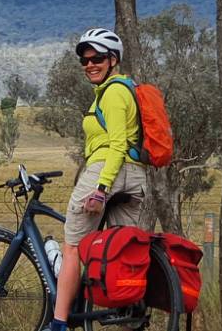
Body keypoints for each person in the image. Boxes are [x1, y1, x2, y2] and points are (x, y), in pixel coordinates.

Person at [47, 28, 149, 331]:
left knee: (73, 248)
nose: (90, 64)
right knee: (122, 250)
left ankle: (59, 322)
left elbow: (117, 145)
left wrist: (102, 188)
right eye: (85, 60)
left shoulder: (115, 92)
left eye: (98, 58)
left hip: (109, 170)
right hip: (135, 177)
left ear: (113, 60)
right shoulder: (124, 89)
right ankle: (131, 320)